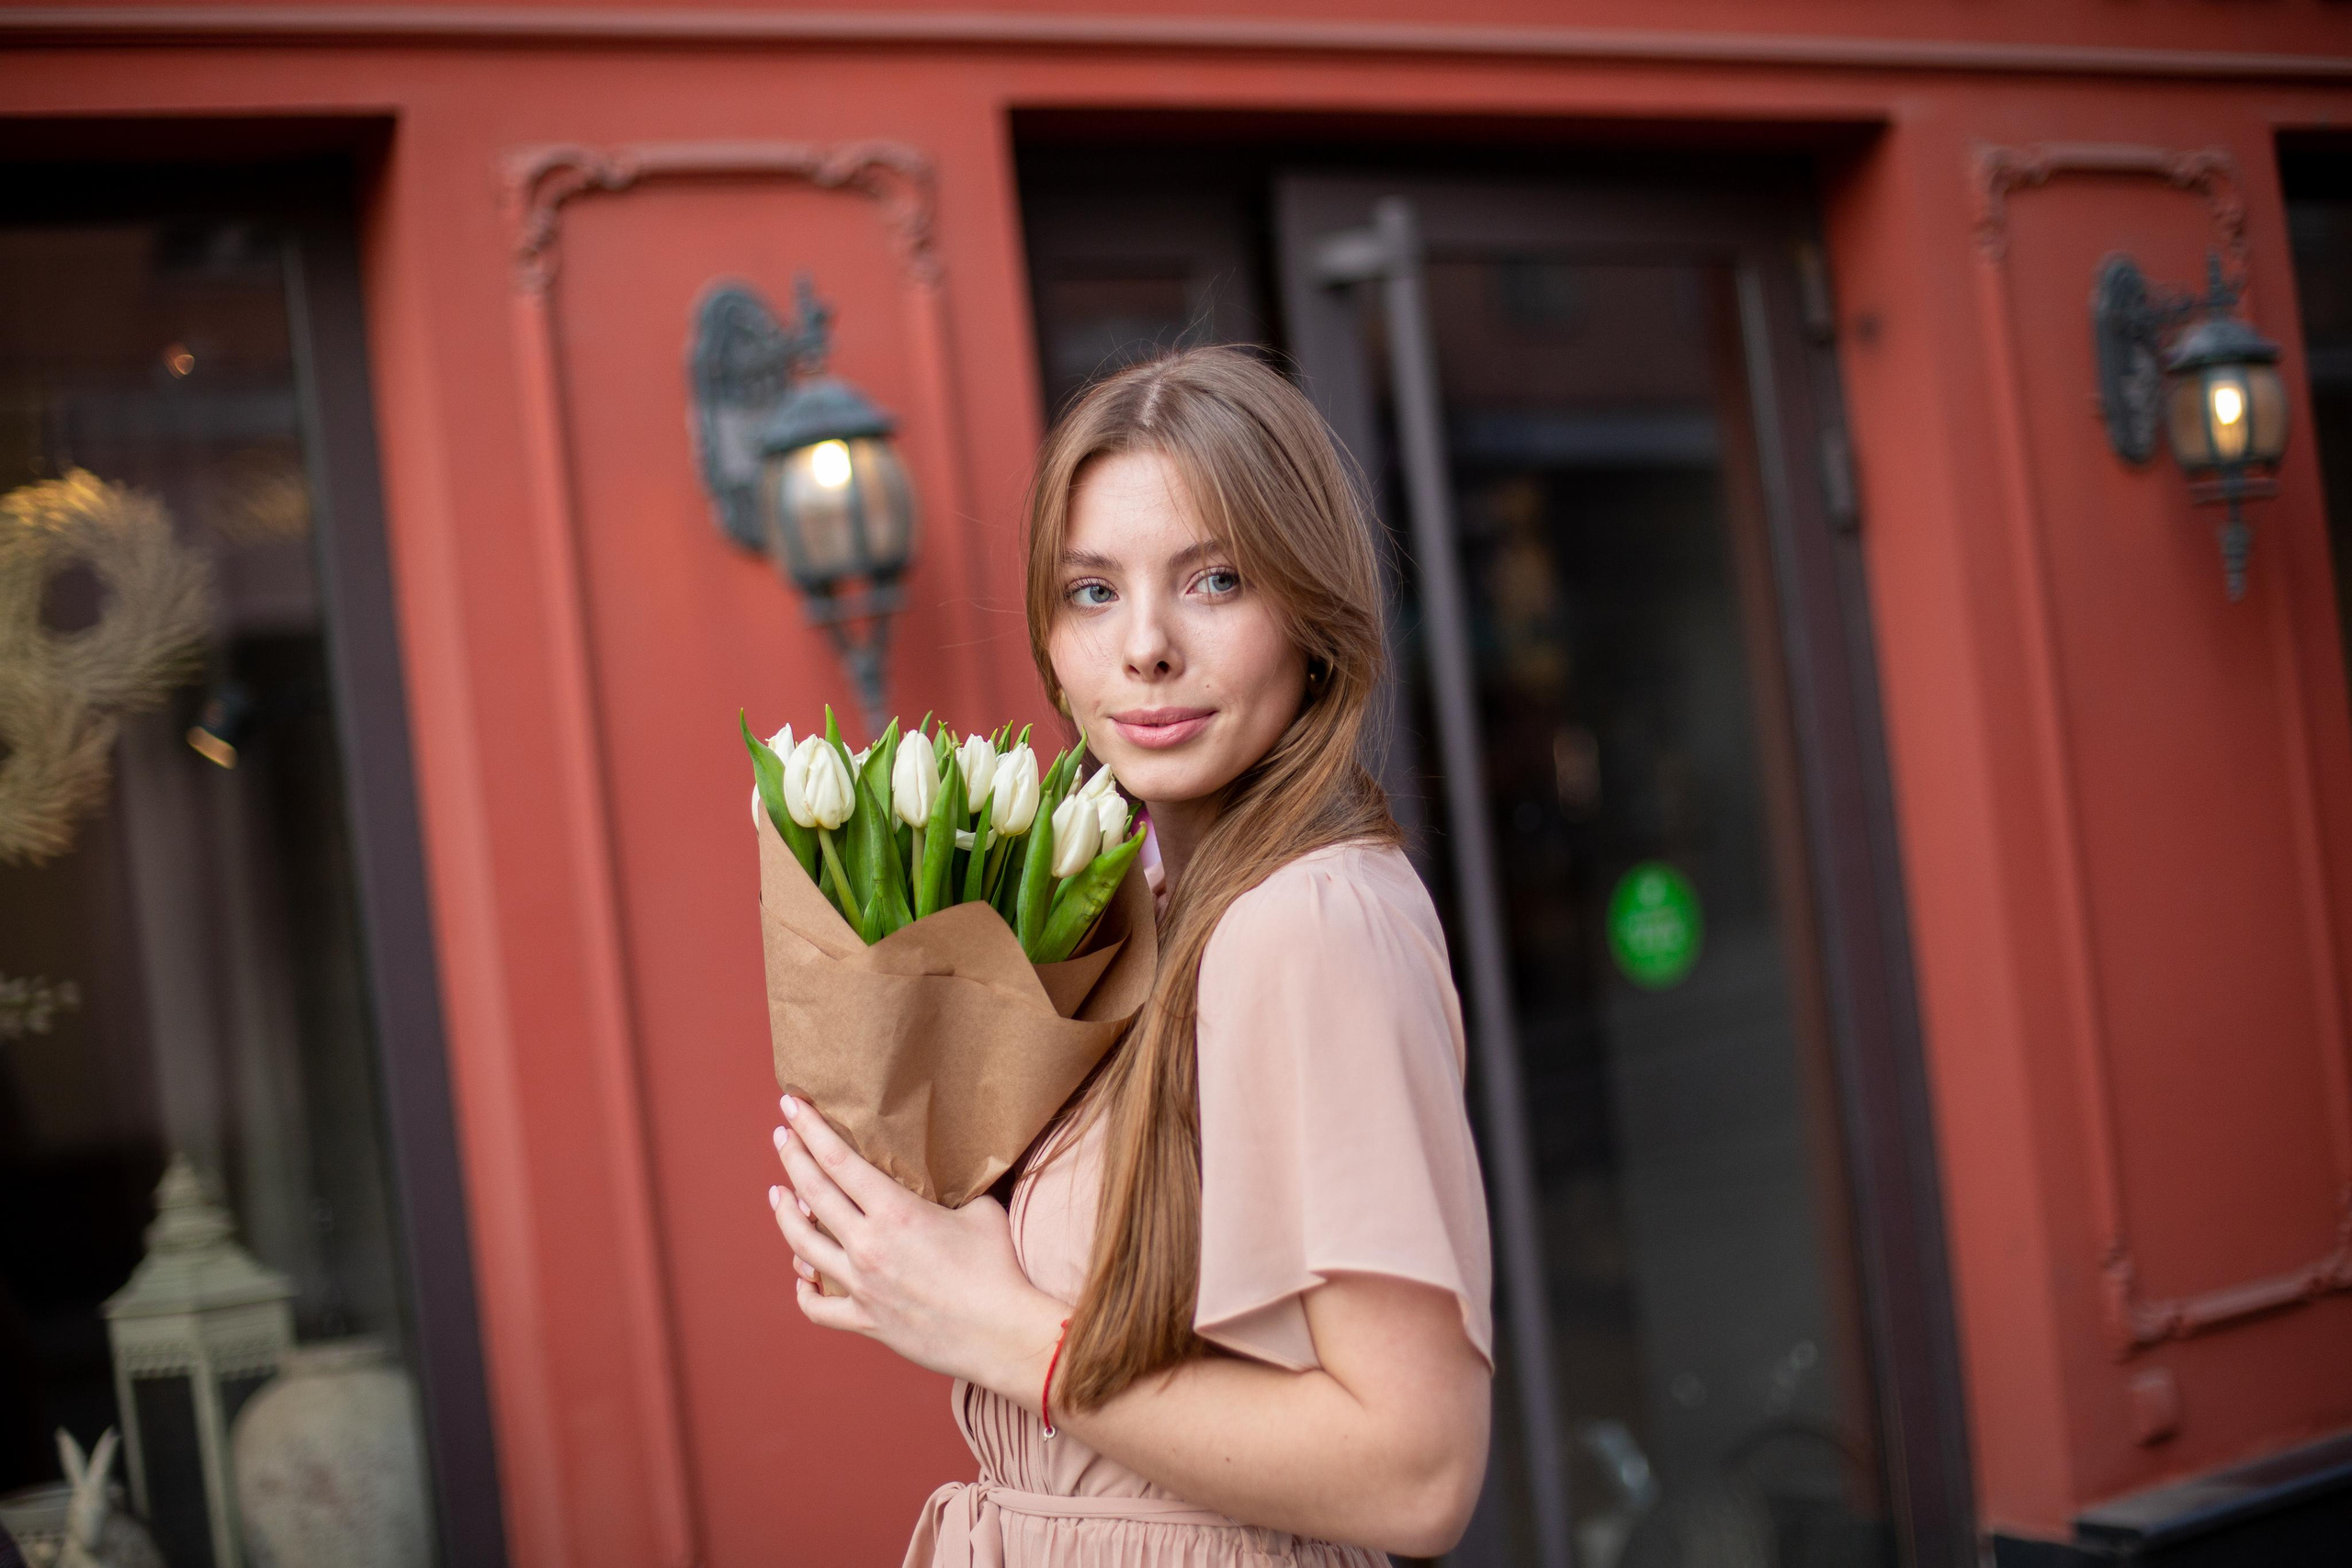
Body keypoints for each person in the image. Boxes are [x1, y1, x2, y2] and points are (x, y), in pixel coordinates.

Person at [766, 346, 1495, 1566]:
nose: (1145, 647)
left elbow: (1416, 1471)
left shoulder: (1308, 922)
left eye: (1213, 581)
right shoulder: (1128, 907)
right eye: (1092, 591)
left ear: (1311, 618)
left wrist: (995, 1326)